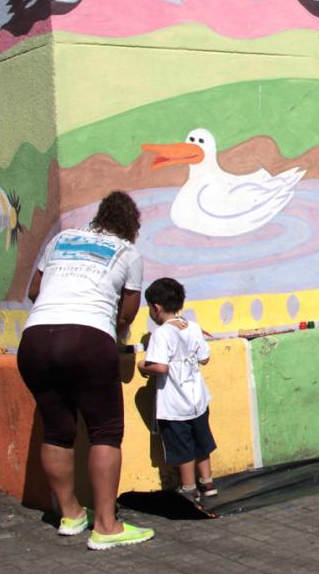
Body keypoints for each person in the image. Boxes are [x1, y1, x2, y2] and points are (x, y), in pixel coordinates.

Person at [19, 191, 153, 551]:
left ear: (99, 216)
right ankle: (106, 526)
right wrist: (110, 332)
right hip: (87, 338)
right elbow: (126, 313)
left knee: (58, 430)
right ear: (131, 225)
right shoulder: (128, 252)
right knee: (105, 432)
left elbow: (35, 290)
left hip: (35, 339)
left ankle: (70, 514)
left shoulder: (62, 239)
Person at [137, 277, 217, 501]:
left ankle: (189, 487)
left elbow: (160, 366)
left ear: (156, 307)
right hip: (198, 398)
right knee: (202, 442)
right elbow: (205, 358)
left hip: (175, 403)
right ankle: (207, 482)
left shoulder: (161, 334)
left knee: (183, 447)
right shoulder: (192, 327)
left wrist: (142, 365)